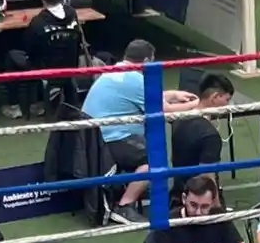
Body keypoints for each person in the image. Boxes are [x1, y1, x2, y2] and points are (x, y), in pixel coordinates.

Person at [81, 40, 198, 224]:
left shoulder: (116, 71)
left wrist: (173, 94)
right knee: (153, 160)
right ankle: (125, 206)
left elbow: (141, 94)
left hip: (94, 137)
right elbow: (164, 112)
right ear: (146, 60)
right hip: (109, 139)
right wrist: (197, 105)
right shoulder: (135, 79)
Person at [141, 174, 245, 243]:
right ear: (184, 198)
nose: (198, 212)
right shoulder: (166, 223)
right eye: (193, 205)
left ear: (212, 203)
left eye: (205, 206)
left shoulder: (219, 218)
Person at [170, 73, 235, 205]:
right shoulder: (210, 135)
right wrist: (217, 208)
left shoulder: (178, 120)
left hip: (178, 195)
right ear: (215, 97)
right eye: (226, 100)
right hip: (199, 200)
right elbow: (207, 178)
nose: (228, 105)